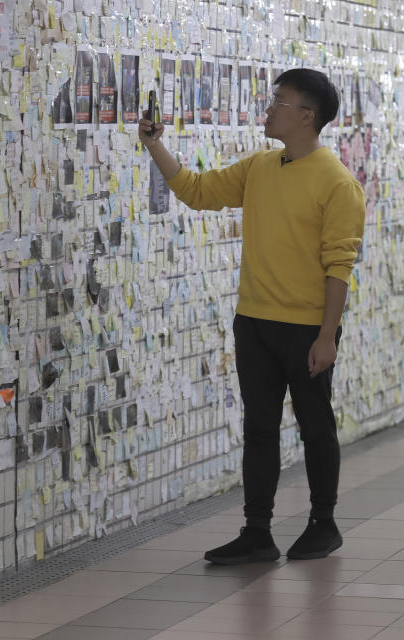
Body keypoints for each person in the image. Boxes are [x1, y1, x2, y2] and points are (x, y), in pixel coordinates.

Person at [139, 68, 364, 563]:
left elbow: (339, 266)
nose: (268, 108)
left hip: (307, 328)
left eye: (278, 102)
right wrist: (155, 145)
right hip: (255, 322)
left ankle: (323, 523)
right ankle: (257, 531)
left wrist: (327, 336)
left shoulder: (338, 183)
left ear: (306, 116)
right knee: (259, 427)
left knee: (314, 425)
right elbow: (197, 191)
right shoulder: (261, 167)